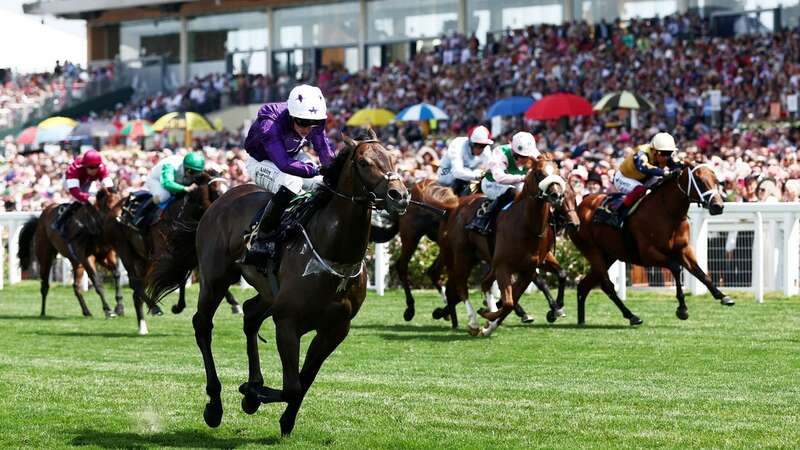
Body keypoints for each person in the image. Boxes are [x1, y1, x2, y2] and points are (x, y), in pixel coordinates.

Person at [239, 84, 334, 267]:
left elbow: (323, 149)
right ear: (291, 115)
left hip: (292, 156)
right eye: (302, 122)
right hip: (262, 161)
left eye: (311, 123)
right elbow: (283, 164)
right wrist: (316, 170)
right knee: (292, 182)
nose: (307, 129)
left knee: (323, 184)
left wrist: (332, 170)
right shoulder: (270, 122)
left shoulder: (315, 119)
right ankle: (261, 237)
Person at [466, 132, 539, 235]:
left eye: (527, 156)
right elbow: (499, 178)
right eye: (520, 156)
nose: (525, 160)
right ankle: (483, 221)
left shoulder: (533, 152)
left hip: (515, 182)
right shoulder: (500, 152)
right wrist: (523, 178)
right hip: (492, 183)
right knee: (512, 191)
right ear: (513, 151)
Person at [613, 132, 682, 218]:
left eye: (669, 153)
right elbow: (643, 167)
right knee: (640, 190)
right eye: (663, 153)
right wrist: (665, 173)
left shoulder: (666, 155)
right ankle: (618, 213)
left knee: (663, 185)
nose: (666, 157)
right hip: (624, 177)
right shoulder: (641, 152)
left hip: (645, 178)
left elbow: (678, 166)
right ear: (654, 150)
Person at [132, 152, 205, 228]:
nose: (194, 176)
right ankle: (140, 216)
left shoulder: (194, 169)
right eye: (192, 172)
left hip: (175, 181)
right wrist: (184, 188)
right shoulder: (171, 165)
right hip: (157, 180)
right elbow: (167, 183)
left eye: (197, 173)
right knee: (164, 195)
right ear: (185, 167)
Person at [52, 149, 114, 236]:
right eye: (91, 167)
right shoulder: (74, 169)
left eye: (96, 167)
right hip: (70, 183)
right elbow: (75, 191)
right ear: (84, 166)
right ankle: (60, 223)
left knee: (95, 196)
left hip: (88, 181)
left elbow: (110, 188)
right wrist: (87, 198)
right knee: (80, 201)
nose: (94, 170)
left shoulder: (101, 168)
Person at [437, 125, 493, 197]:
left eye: (484, 146)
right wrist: (477, 176)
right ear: (471, 143)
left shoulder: (486, 149)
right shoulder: (458, 144)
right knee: (461, 180)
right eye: (478, 146)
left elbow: (490, 168)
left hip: (467, 173)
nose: (481, 149)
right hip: (447, 172)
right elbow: (457, 172)